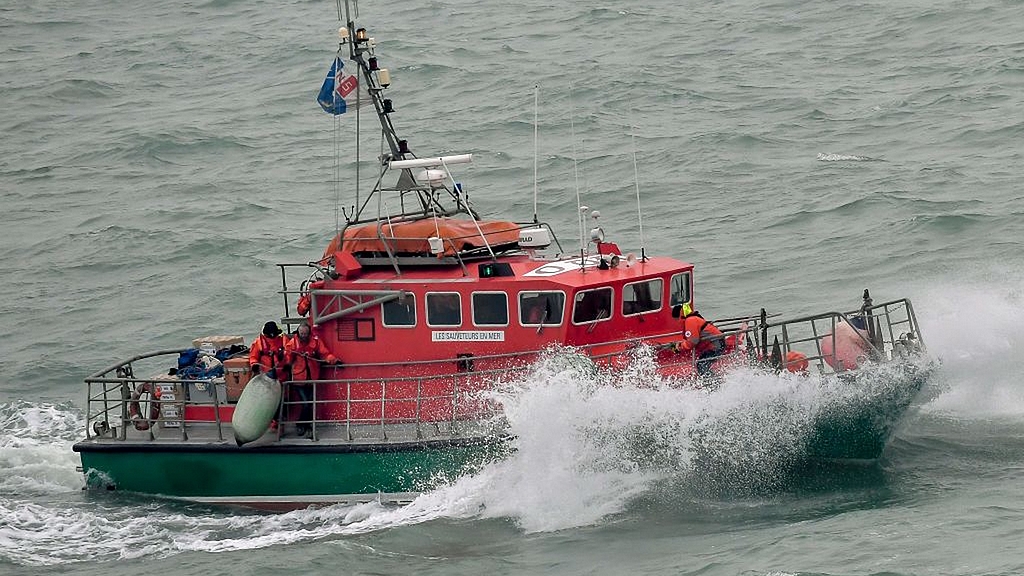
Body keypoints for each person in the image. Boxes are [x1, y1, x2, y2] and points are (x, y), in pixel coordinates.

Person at [285, 323, 341, 437]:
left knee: (310, 404)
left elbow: (325, 353)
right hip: (298, 380)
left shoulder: (315, 342)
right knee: (306, 403)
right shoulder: (292, 345)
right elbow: (287, 358)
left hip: (312, 379)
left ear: (309, 333)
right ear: (298, 333)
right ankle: (302, 425)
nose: (304, 336)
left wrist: (334, 360)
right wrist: (288, 361)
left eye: (305, 333)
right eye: (301, 334)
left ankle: (305, 425)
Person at [674, 304, 727, 376]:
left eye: (676, 319)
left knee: (702, 365)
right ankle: (713, 381)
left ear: (679, 316)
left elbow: (693, 341)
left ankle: (713, 383)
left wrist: (680, 347)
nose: (676, 321)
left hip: (716, 344)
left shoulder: (690, 321)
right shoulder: (692, 319)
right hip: (716, 343)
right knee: (702, 363)